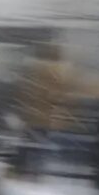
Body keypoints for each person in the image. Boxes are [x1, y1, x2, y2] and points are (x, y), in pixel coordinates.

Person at [14, 44, 76, 178]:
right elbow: (60, 95)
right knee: (39, 145)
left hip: (32, 116)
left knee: (28, 144)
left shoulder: (34, 70)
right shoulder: (57, 71)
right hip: (45, 118)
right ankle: (34, 171)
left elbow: (23, 93)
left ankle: (23, 170)